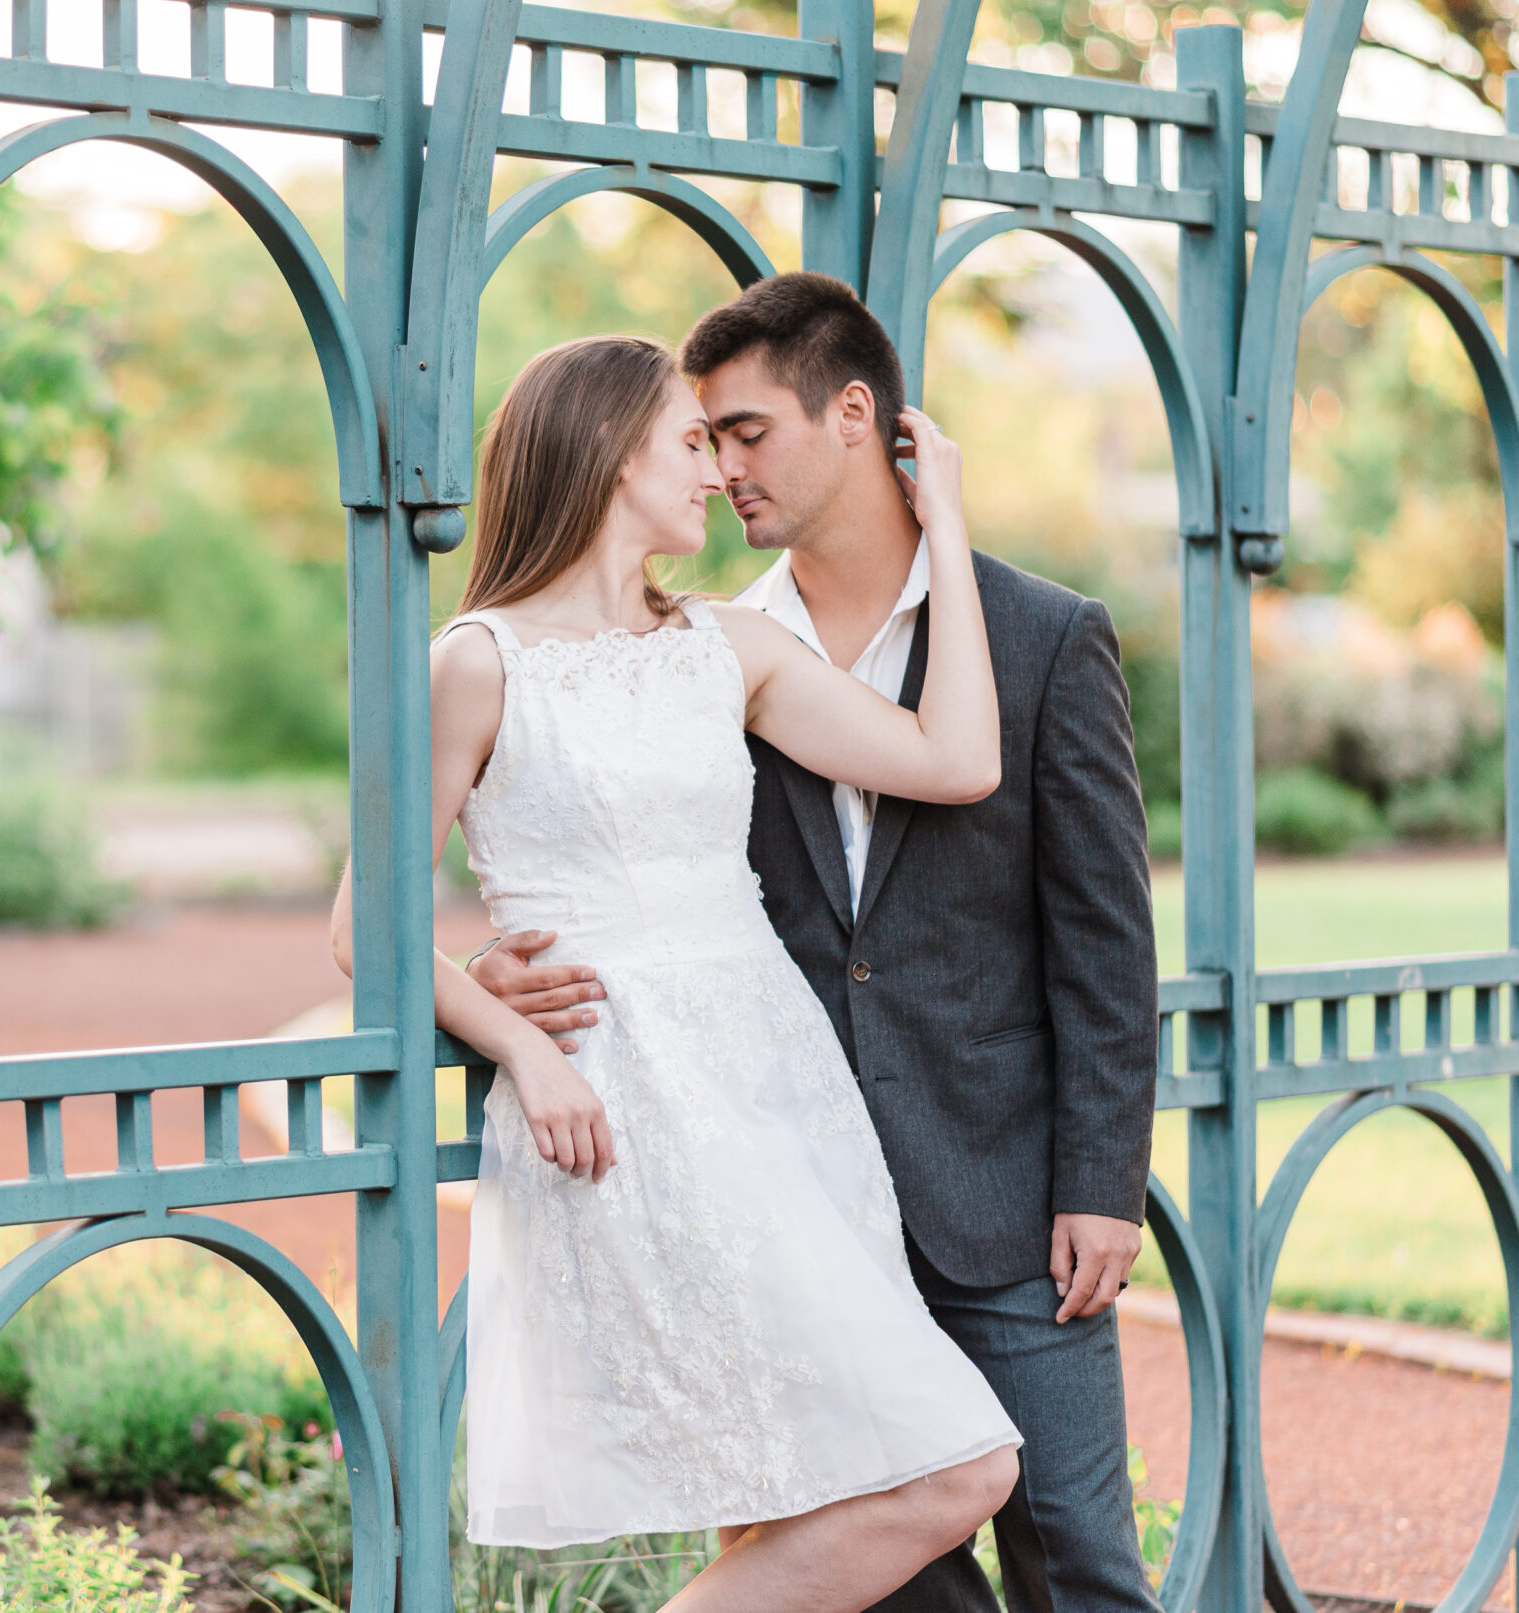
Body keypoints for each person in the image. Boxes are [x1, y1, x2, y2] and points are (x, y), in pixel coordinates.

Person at [472, 274, 1161, 1613]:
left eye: (744, 433)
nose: (723, 469)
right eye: (701, 440)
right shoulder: (704, 645)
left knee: (1075, 1546)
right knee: (883, 1577)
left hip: (1004, 1189)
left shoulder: (1038, 637)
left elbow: (1102, 940)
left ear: (855, 416)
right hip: (774, 1180)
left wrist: (1101, 1177)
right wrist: (491, 989)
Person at [332, 332, 1022, 1613]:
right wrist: (521, 1041)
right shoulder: (476, 662)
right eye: (689, 440)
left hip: (780, 1091)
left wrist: (950, 533)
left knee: (803, 1484)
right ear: (607, 454)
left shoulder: (726, 649)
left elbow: (957, 758)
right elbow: (359, 924)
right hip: (623, 1103)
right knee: (956, 1466)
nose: (715, 472)